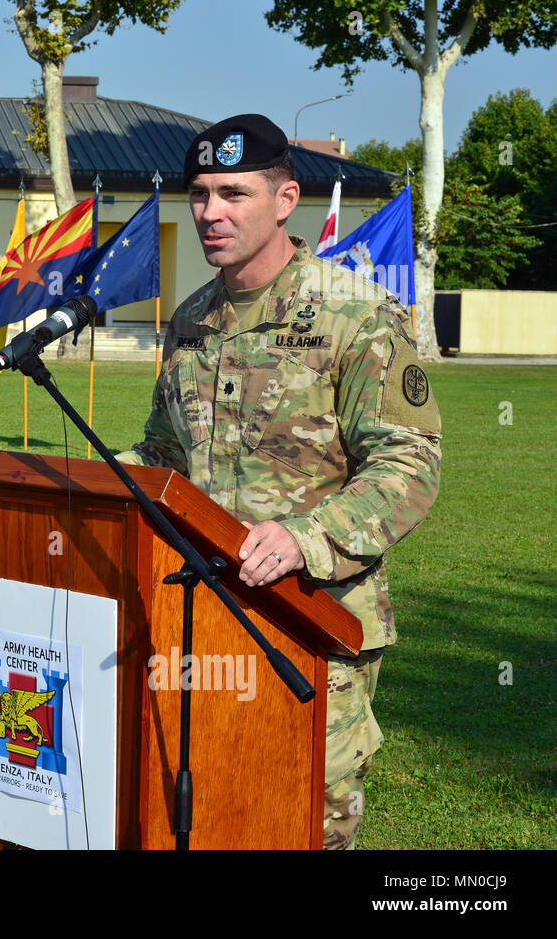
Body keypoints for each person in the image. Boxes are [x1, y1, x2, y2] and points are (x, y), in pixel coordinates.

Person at [115, 113, 442, 849]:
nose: (211, 213)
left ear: (286, 198)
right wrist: (93, 484)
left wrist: (304, 539)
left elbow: (409, 462)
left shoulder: (356, 314)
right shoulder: (192, 321)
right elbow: (168, 454)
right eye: (200, 195)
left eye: (234, 194)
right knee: (214, 809)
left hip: (313, 617)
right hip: (204, 616)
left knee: (302, 822)